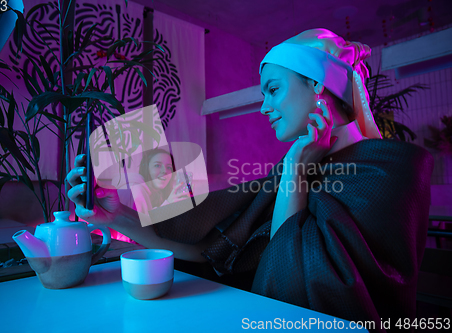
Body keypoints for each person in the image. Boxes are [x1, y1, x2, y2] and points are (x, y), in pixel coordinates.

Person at [67, 29, 433, 331]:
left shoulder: (390, 170)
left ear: (318, 86)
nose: (263, 107)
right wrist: (116, 216)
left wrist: (295, 171)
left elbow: (297, 292)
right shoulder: (299, 165)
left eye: (273, 89)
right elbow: (210, 253)